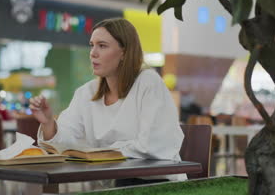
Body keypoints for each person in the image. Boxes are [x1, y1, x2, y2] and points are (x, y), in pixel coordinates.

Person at [30, 18, 186, 185]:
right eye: (92, 45)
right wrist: (48, 123)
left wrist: (97, 153)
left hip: (159, 183)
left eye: (102, 46)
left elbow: (152, 146)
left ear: (124, 52)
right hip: (114, 183)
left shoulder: (148, 82)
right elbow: (64, 144)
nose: (93, 53)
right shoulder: (86, 93)